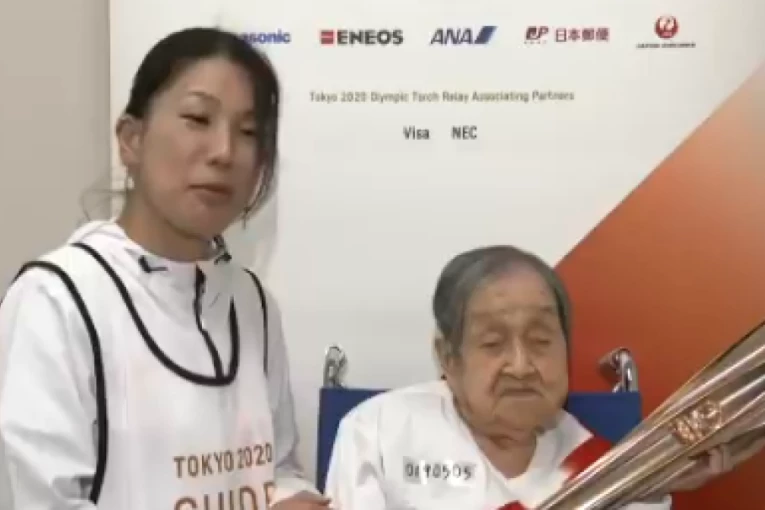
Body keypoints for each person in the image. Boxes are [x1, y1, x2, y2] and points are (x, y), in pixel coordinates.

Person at [0, 27, 329, 510]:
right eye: (198, 118)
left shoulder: (252, 303)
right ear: (131, 140)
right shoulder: (57, 300)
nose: (224, 151)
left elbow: (276, 468)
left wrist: (293, 496)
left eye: (248, 132)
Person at [323, 245, 673, 509]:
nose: (521, 367)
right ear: (448, 357)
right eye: (493, 343)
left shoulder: (608, 473)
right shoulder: (378, 433)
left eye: (540, 340)